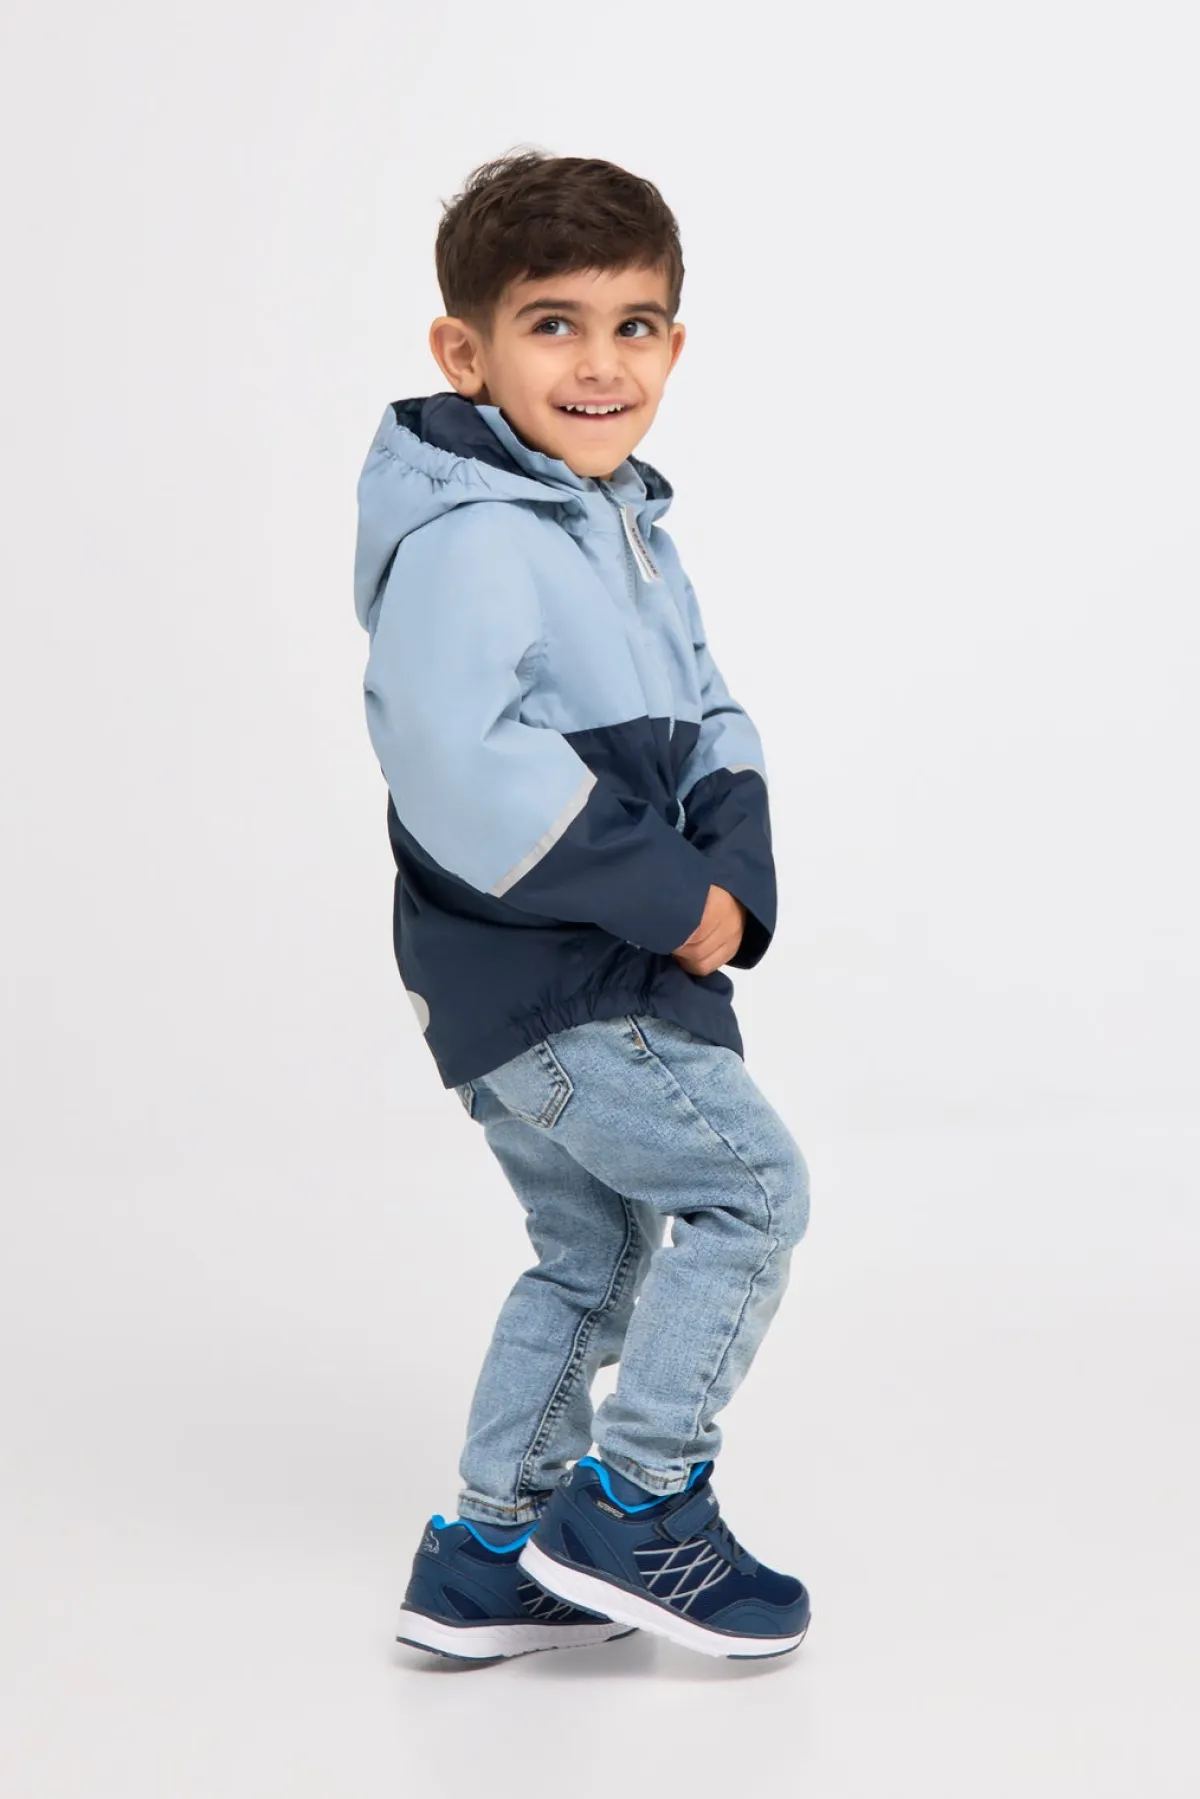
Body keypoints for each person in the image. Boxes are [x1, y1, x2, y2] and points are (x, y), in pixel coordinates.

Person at [353, 149, 812, 1663]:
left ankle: (494, 1550)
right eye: (553, 324)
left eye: (635, 326)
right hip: (557, 977)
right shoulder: (476, 533)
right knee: (750, 1193)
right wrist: (675, 897)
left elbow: (712, 709)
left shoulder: (618, 526)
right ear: (465, 351)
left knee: (596, 1252)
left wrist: (735, 874)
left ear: (676, 345)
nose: (601, 363)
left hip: (555, 980)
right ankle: (641, 1504)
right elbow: (459, 763)